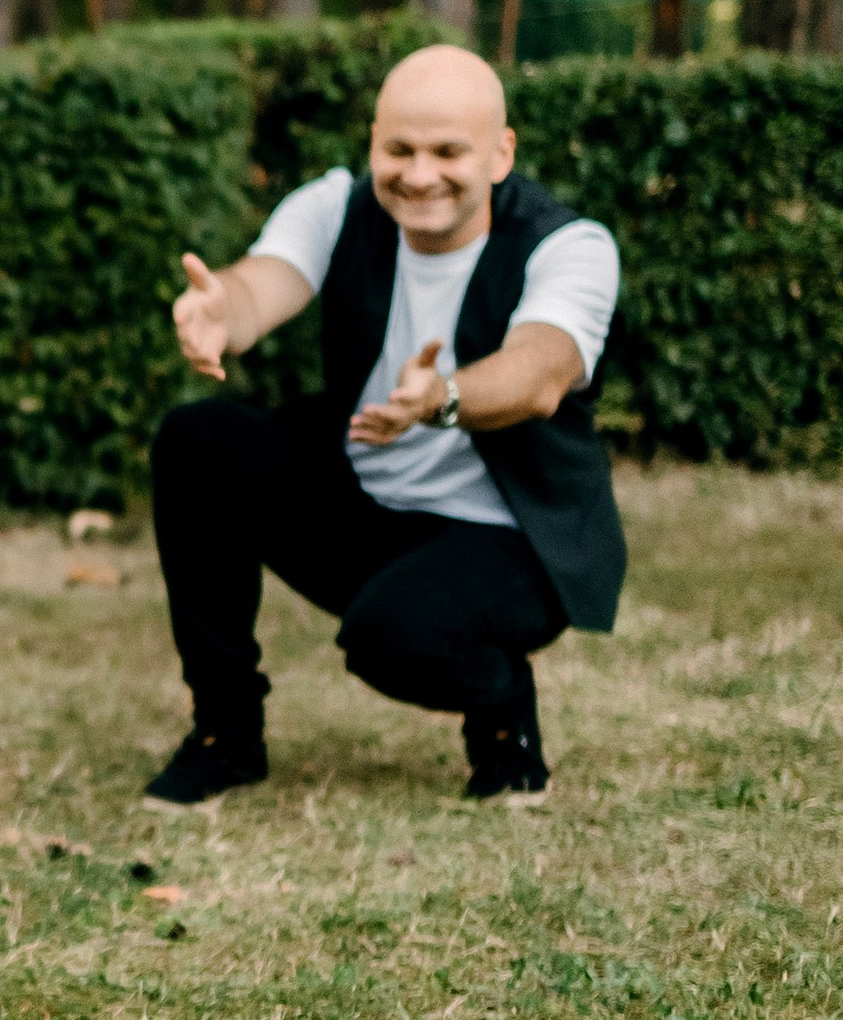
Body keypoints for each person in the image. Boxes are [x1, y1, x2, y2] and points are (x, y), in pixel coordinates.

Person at [144, 42, 626, 804]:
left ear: (500, 154)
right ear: (373, 143)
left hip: (510, 538)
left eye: (448, 151)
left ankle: (502, 706)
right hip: (369, 509)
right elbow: (263, 283)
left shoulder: (569, 246)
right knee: (196, 439)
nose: (419, 174)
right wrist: (219, 312)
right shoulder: (337, 204)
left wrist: (442, 398)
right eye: (399, 149)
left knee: (389, 640)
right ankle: (224, 735)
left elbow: (541, 371)